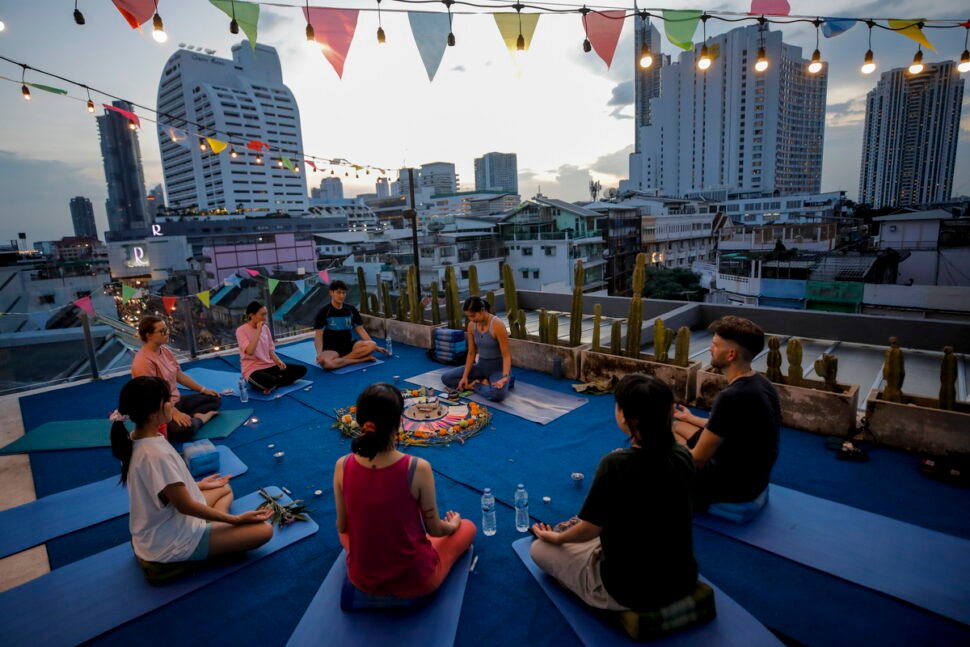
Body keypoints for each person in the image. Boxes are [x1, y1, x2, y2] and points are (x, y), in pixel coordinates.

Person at [531, 374, 698, 611]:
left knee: (539, 549)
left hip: (629, 590)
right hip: (683, 577)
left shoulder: (616, 464)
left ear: (628, 417)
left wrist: (558, 539)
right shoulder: (683, 455)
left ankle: (590, 586)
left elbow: (589, 529)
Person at [109, 376, 273, 569]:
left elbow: (161, 490)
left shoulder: (133, 439)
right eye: (168, 401)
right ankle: (216, 534)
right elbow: (184, 506)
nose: (173, 404)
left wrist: (200, 485)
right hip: (171, 541)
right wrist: (235, 520)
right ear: (154, 413)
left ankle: (216, 529)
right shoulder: (155, 455)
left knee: (223, 487)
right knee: (264, 531)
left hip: (163, 524)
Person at [334, 383, 476, 597]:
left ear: (361, 421)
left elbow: (343, 526)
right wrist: (453, 525)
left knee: (347, 533)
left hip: (362, 578)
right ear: (400, 422)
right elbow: (435, 530)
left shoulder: (342, 465)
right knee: (467, 527)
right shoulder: (417, 467)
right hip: (416, 582)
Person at [672, 316, 781, 508]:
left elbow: (697, 459)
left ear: (731, 355)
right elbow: (726, 427)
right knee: (678, 425)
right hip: (754, 478)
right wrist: (690, 418)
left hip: (733, 487)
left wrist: (654, 454)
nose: (709, 349)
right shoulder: (762, 384)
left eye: (715, 345)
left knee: (658, 441)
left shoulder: (733, 396)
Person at [132, 316, 221, 441]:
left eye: (166, 329)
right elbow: (152, 396)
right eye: (162, 331)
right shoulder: (143, 361)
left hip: (175, 401)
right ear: (149, 335)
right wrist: (174, 413)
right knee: (184, 431)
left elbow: (179, 375)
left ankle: (191, 417)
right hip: (158, 409)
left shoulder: (165, 351)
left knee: (214, 399)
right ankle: (200, 419)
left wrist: (202, 389)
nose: (166, 333)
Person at [441, 296, 512, 402]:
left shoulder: (497, 325)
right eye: (468, 317)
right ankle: (483, 382)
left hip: (497, 369)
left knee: (499, 395)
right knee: (446, 378)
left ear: (482, 310)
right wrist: (464, 377)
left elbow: (506, 355)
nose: (471, 319)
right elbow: (471, 353)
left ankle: (476, 385)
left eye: (473, 315)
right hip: (481, 366)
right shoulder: (471, 326)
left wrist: (505, 377)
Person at [313, 280, 389, 370]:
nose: (341, 296)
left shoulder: (351, 310)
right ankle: (362, 359)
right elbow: (318, 336)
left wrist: (376, 348)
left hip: (349, 345)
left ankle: (340, 361)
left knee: (372, 345)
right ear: (331, 293)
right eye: (338, 293)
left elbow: (360, 330)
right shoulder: (324, 312)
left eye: (344, 293)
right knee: (326, 364)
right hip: (331, 348)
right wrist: (319, 354)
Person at [236, 301, 307, 394]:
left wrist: (278, 361)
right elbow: (249, 351)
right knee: (269, 381)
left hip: (269, 365)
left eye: (265, 315)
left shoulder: (265, 328)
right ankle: (273, 382)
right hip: (252, 369)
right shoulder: (241, 330)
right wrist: (258, 331)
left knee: (301, 370)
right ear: (251, 315)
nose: (264, 318)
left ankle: (274, 384)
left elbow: (270, 349)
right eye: (262, 315)